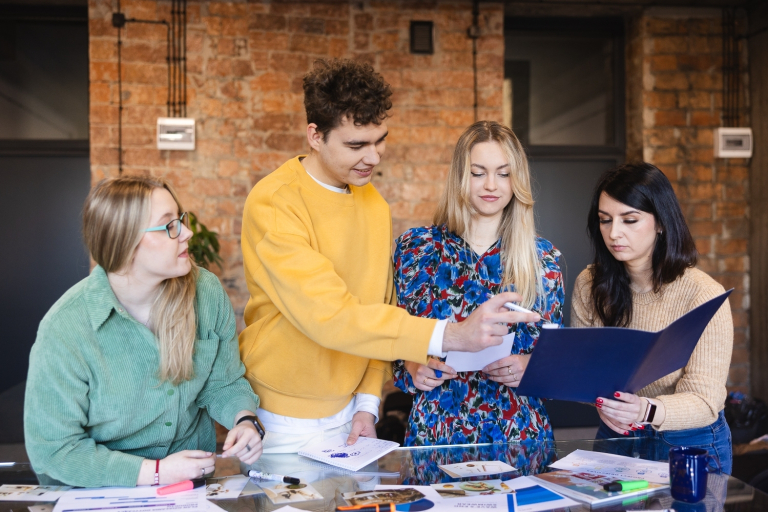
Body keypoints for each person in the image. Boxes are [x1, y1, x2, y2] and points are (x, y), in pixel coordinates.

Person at [239, 59, 538, 453]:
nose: (373, 157)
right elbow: (330, 316)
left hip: (352, 412)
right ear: (314, 136)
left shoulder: (374, 204)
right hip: (282, 413)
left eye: (379, 140)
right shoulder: (275, 203)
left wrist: (367, 403)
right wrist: (450, 335)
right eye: (356, 145)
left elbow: (379, 306)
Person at [24, 177, 264, 487]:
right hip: (99, 491)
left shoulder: (206, 292)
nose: (187, 232)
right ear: (125, 242)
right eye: (169, 227)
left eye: (181, 219)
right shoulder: (66, 328)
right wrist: (156, 472)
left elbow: (223, 382)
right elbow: (54, 450)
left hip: (189, 488)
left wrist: (244, 419)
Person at [392, 121, 564, 445]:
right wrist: (413, 366)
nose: (491, 185)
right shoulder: (416, 248)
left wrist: (530, 366)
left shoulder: (544, 259)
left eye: (503, 173)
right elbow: (393, 336)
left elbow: (556, 357)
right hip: (437, 431)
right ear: (461, 176)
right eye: (478, 172)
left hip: (520, 432)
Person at [571, 162, 733, 473]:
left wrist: (644, 409)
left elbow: (705, 400)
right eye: (605, 220)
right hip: (617, 435)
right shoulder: (589, 283)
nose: (614, 233)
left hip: (688, 441)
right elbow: (586, 376)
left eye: (630, 220)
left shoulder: (703, 294)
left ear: (661, 223)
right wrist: (604, 404)